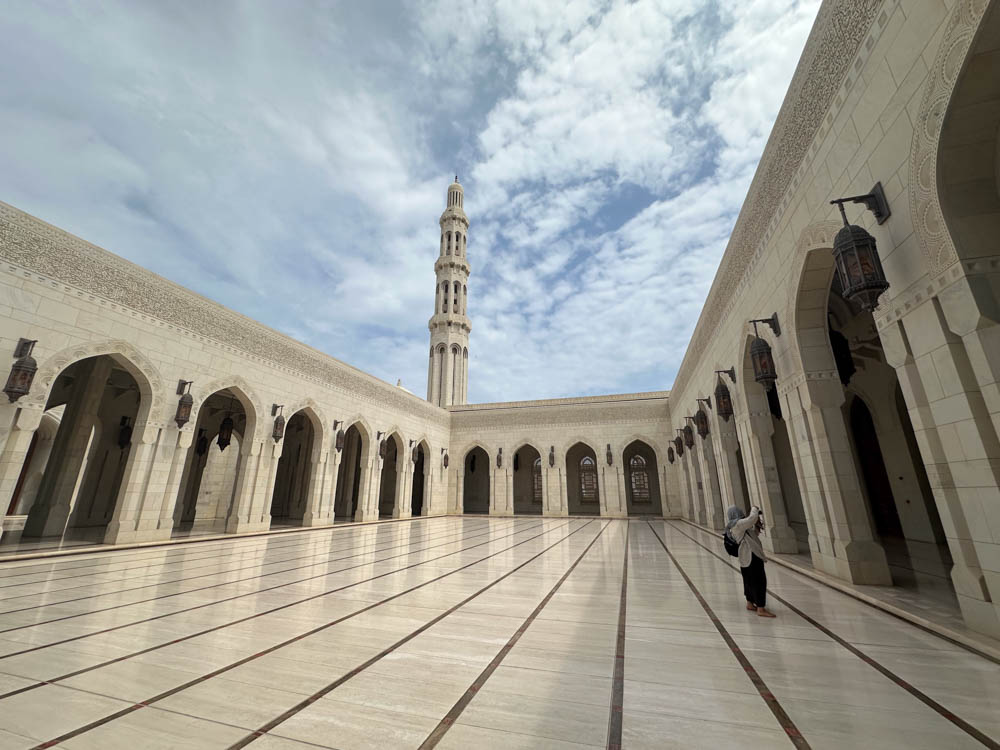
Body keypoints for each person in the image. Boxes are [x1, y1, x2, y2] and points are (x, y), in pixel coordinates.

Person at [727, 505, 775, 618]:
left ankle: (750, 603)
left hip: (746, 558)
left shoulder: (737, 526)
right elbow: (751, 519)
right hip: (751, 557)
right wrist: (754, 509)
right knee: (759, 581)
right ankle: (761, 608)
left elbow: (753, 534)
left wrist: (757, 524)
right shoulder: (737, 524)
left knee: (749, 581)